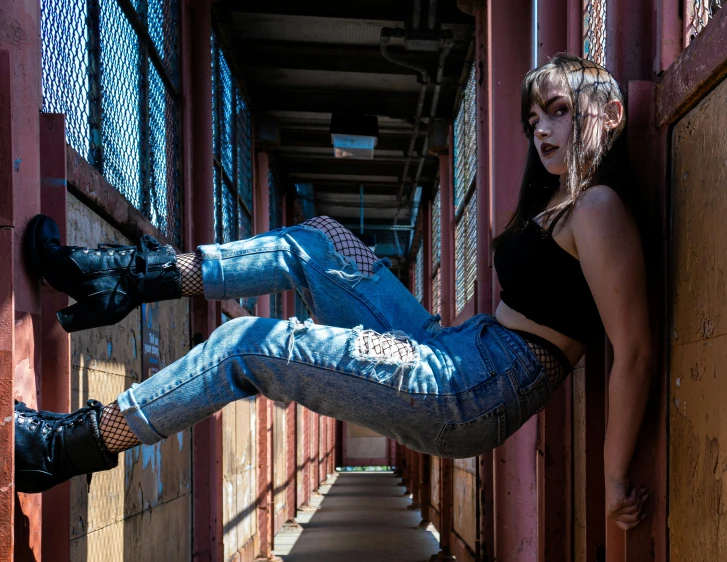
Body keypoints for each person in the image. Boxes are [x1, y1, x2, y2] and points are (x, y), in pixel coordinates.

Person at [14, 54, 651, 531]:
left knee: (245, 345)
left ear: (610, 114)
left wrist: (614, 472)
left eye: (560, 111)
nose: (541, 130)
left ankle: (68, 445)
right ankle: (124, 276)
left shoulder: (598, 208)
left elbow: (635, 351)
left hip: (472, 386)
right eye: (534, 117)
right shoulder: (561, 207)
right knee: (319, 241)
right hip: (459, 349)